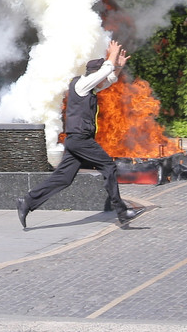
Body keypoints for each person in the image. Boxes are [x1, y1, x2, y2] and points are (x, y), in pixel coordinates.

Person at [16, 40, 144, 229]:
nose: (102, 81)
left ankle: (27, 202)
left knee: (64, 178)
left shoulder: (89, 87)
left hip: (76, 141)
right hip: (80, 139)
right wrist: (112, 55)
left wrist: (118, 67)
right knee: (109, 166)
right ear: (95, 74)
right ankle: (122, 211)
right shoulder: (82, 84)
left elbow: (108, 80)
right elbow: (105, 73)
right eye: (100, 76)